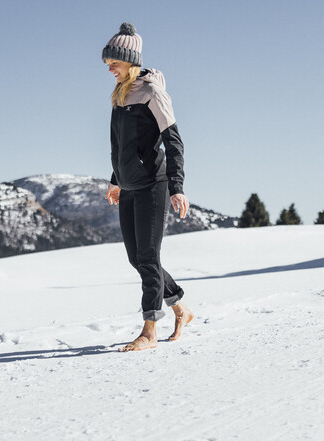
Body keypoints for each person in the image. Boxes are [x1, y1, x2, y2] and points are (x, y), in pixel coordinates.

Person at [102, 22, 194, 352]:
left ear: (130, 61)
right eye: (108, 64)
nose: (110, 68)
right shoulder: (119, 95)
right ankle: (180, 309)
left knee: (148, 256)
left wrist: (177, 186)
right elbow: (120, 146)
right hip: (128, 187)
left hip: (153, 185)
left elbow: (174, 142)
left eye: (114, 62)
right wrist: (116, 180)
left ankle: (149, 330)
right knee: (137, 259)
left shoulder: (153, 92)